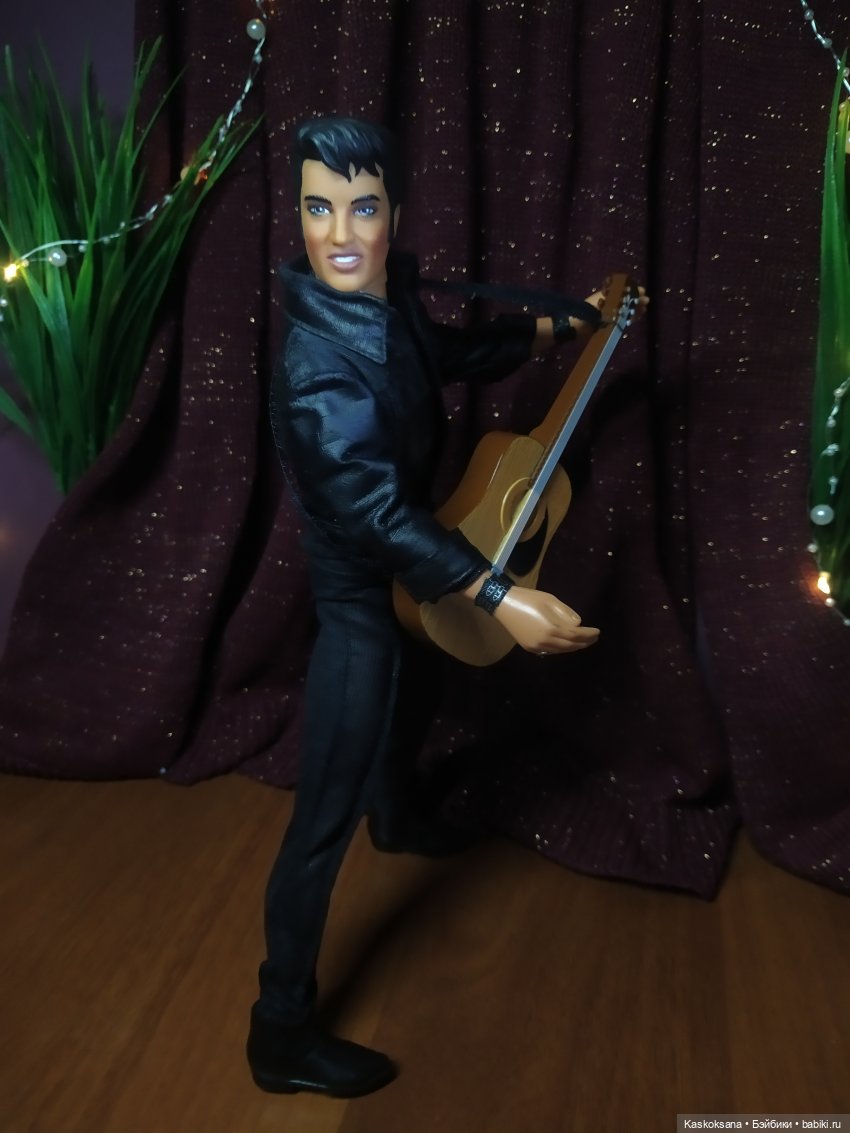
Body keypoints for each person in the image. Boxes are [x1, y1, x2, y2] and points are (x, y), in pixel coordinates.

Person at [247, 116, 635, 1099]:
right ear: (297, 214)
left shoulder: (388, 304)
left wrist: (564, 327)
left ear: (394, 212)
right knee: (320, 819)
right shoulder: (317, 369)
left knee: (417, 694)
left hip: (418, 564)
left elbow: (456, 352)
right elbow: (376, 514)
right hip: (360, 592)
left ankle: (401, 812)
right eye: (318, 207)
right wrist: (501, 595)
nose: (340, 234)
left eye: (362, 207)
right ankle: (279, 1027)